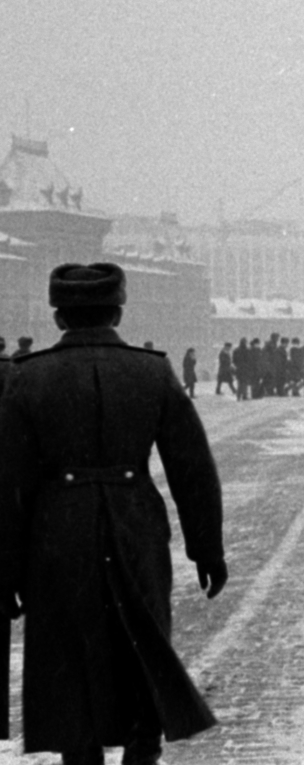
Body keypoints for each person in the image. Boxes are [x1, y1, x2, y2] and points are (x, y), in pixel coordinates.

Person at [0, 262, 227, 765]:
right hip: (135, 525)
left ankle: (80, 756)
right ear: (119, 311)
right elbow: (192, 468)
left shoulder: (27, 376)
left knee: (67, 651)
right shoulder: (152, 371)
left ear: (58, 317)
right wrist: (206, 548)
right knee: (142, 640)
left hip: (56, 531)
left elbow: (8, 481)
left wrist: (6, 570)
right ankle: (142, 749)